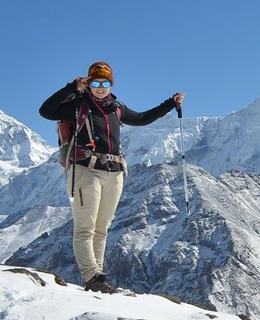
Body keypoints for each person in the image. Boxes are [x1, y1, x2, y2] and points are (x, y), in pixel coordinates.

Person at [39, 61, 184, 293]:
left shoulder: (115, 107)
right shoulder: (78, 105)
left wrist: (170, 103)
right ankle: (92, 276)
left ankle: (99, 277)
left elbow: (142, 118)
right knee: (85, 227)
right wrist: (71, 87)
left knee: (102, 228)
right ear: (88, 83)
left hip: (114, 172)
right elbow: (45, 111)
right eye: (95, 82)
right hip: (85, 170)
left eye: (104, 82)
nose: (100, 87)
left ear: (110, 84)